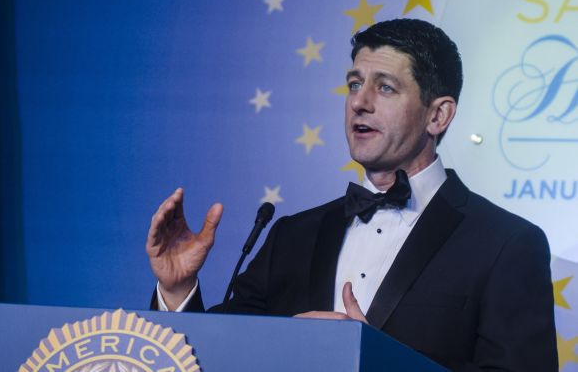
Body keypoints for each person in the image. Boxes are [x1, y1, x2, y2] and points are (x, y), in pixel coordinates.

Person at [146, 19, 558, 371]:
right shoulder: (292, 235)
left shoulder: (506, 245)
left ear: (438, 115)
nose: (359, 103)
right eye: (355, 84)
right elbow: (222, 355)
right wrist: (179, 291)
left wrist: (375, 358)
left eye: (386, 88)